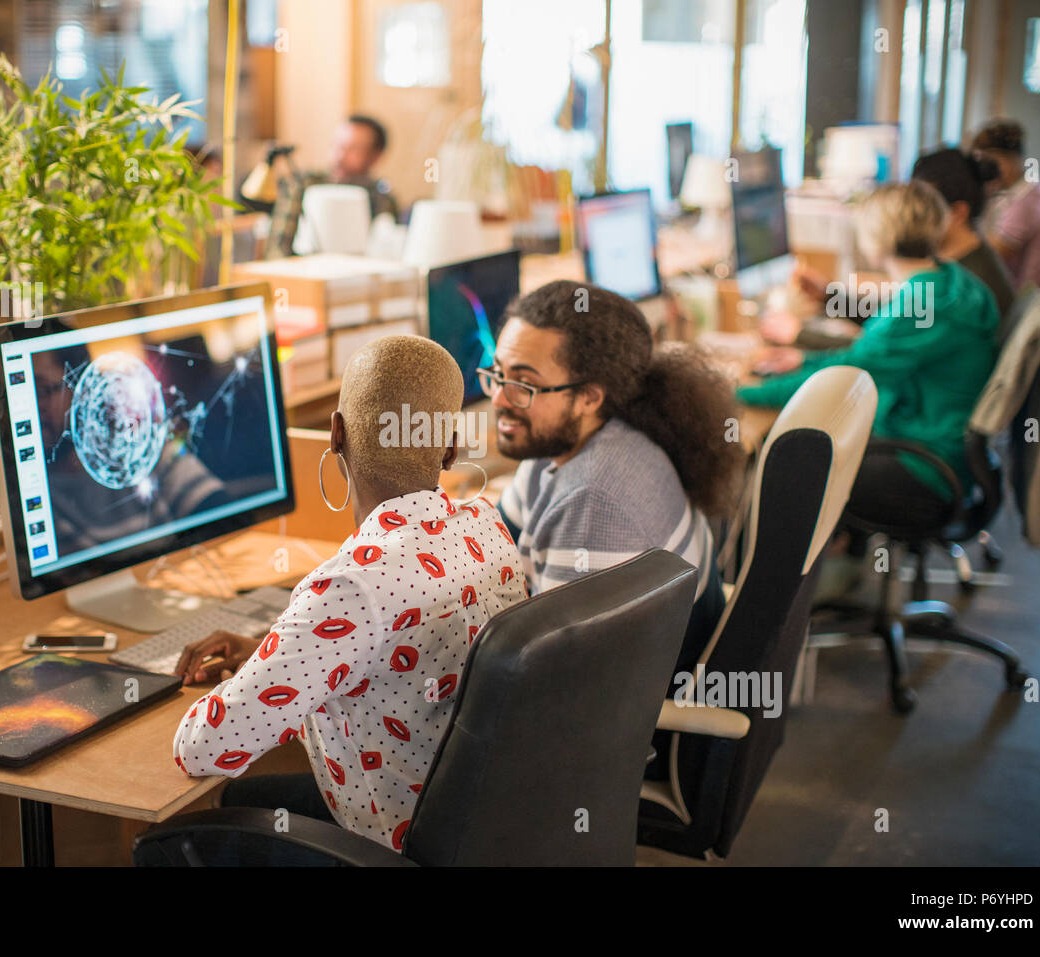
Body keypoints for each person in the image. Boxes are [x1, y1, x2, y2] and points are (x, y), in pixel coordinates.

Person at [172, 335, 528, 854]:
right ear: (450, 447)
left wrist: (262, 679)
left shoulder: (353, 586)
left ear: (335, 433)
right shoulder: (487, 528)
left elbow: (203, 749)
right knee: (249, 797)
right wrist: (275, 656)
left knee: (170, 841)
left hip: (393, 839)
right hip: (474, 821)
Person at [488, 281, 744, 672]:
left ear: (590, 396)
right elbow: (497, 541)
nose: (500, 399)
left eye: (524, 384)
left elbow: (554, 682)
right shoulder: (567, 438)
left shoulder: (593, 501)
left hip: (638, 713)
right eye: (497, 373)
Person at [739, 181, 999, 530]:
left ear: (877, 240)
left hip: (926, 465)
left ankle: (788, 577)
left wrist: (737, 393)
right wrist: (803, 360)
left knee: (779, 468)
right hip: (935, 439)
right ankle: (835, 554)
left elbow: (848, 377)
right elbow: (868, 356)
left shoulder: (922, 303)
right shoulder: (946, 280)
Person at [971, 119, 1040, 330]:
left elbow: (991, 254)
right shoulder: (1036, 190)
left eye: (990, 162)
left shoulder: (1027, 202)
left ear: (1010, 160)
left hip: (1036, 309)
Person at [911, 147, 1017, 329]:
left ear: (958, 213)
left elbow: (907, 331)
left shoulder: (968, 285)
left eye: (922, 206)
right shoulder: (968, 260)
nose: (911, 214)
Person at [266, 115, 399, 258]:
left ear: (375, 156)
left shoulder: (381, 199)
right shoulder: (304, 185)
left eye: (353, 149)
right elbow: (277, 247)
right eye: (337, 145)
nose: (340, 155)